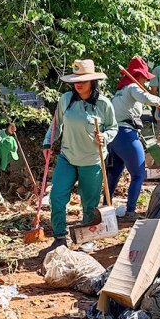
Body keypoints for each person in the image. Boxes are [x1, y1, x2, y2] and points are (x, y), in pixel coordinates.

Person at [43, 59, 118, 250]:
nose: (78, 83)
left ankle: (88, 237)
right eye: (76, 79)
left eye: (83, 79)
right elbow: (56, 124)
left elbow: (113, 127)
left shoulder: (103, 103)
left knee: (89, 202)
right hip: (67, 157)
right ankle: (59, 237)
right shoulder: (65, 99)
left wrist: (105, 136)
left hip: (92, 160)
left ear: (92, 81)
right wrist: (47, 142)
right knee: (57, 196)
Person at [108, 56, 160, 220]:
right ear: (140, 76)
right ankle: (130, 211)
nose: (146, 82)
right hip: (126, 134)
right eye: (145, 79)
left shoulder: (119, 92)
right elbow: (146, 98)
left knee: (114, 173)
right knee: (138, 174)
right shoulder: (132, 87)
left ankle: (106, 207)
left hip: (114, 136)